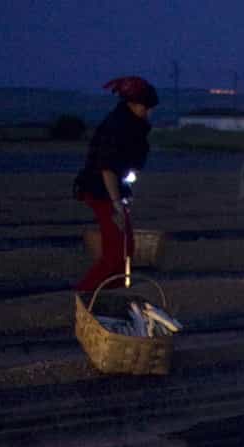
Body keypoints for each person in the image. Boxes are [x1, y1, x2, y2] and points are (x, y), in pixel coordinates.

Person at [74, 76, 158, 292]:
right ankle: (84, 296)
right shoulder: (118, 126)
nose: (150, 112)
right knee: (115, 254)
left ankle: (115, 294)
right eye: (147, 107)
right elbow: (107, 168)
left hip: (113, 192)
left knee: (125, 251)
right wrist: (116, 204)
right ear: (134, 104)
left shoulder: (132, 126)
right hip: (102, 192)